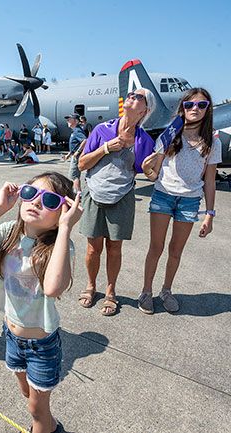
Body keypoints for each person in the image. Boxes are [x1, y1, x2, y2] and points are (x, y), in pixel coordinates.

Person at [0, 172, 83, 433]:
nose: (36, 202)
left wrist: (66, 228)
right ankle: (49, 424)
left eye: (49, 200)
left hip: (42, 345)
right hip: (10, 335)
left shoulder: (60, 245)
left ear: (64, 212)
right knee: (27, 393)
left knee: (36, 408)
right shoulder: (8, 234)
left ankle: (46, 425)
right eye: (30, 193)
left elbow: (53, 287)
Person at [138, 88, 221, 314]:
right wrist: (147, 169)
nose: (195, 109)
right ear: (183, 107)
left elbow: (210, 181)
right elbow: (153, 173)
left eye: (201, 105)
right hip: (163, 194)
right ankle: (146, 291)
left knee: (176, 250)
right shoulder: (169, 135)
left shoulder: (212, 141)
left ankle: (166, 290)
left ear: (208, 109)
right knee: (156, 247)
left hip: (190, 201)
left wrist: (209, 215)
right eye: (190, 105)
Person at [77, 88, 156, 316]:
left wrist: (154, 169)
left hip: (122, 197)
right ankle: (91, 286)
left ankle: (110, 292)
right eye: (131, 94)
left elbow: (146, 172)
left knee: (114, 248)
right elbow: (82, 164)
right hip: (95, 193)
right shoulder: (103, 130)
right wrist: (105, 148)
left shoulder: (144, 141)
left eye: (138, 96)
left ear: (145, 110)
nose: (132, 96)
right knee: (93, 248)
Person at [62, 114, 87, 193]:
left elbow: (85, 141)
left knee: (74, 175)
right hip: (74, 155)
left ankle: (78, 193)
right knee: (74, 175)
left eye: (69, 119)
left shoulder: (77, 131)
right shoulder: (75, 130)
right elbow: (75, 145)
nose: (67, 121)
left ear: (76, 121)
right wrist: (68, 155)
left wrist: (77, 152)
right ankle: (77, 192)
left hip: (77, 156)